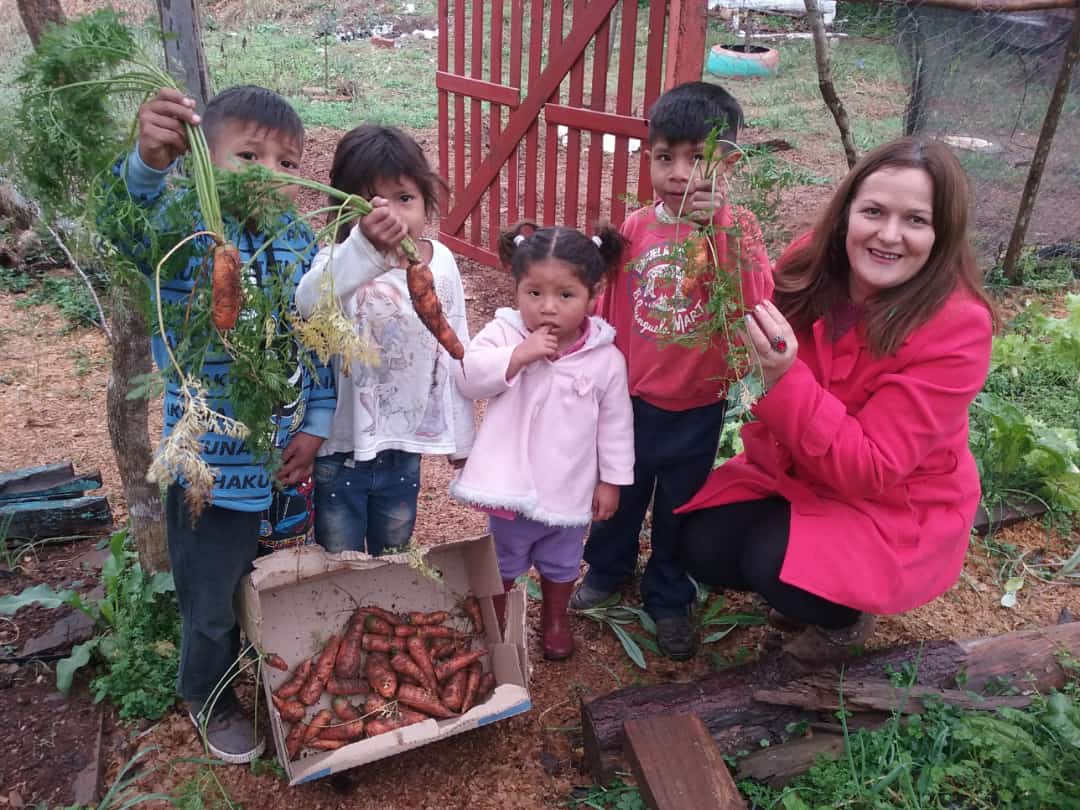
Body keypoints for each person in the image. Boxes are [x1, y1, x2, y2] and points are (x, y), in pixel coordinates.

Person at [676, 137, 996, 664]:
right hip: (801, 468)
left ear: (942, 234)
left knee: (769, 561)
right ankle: (809, 578)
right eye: (874, 211)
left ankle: (843, 619)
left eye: (915, 220)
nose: (888, 235)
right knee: (699, 543)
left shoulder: (958, 327)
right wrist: (715, 241)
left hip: (891, 501)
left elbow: (871, 467)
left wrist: (784, 376)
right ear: (847, 212)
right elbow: (744, 299)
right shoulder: (811, 262)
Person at [110, 85, 336, 763]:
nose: (270, 171)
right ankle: (206, 692)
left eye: (287, 161)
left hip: (283, 465)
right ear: (202, 154)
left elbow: (318, 338)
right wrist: (148, 162)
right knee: (209, 604)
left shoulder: (299, 242)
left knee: (272, 582)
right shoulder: (181, 230)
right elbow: (125, 223)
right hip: (207, 469)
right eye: (249, 154)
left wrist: (318, 419)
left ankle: (275, 678)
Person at [570, 81, 773, 660]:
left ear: (729, 163)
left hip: (699, 404)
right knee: (620, 493)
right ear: (649, 158)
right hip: (631, 400)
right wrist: (598, 365)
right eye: (665, 158)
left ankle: (668, 594)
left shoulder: (740, 230)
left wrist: (721, 235)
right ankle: (607, 568)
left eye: (697, 159)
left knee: (680, 506)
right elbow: (611, 305)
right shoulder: (636, 228)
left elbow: (754, 300)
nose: (679, 173)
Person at [450, 223, 635, 660]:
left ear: (593, 295)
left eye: (565, 295)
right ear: (517, 290)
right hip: (512, 488)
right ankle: (497, 624)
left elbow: (616, 424)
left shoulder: (605, 358)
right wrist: (517, 357)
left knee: (562, 560)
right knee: (505, 560)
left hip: (569, 487)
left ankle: (554, 619)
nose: (548, 307)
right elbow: (467, 376)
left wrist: (611, 480)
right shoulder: (505, 334)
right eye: (534, 293)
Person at [295, 125, 473, 555]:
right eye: (371, 203)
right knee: (339, 558)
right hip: (341, 448)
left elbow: (456, 349)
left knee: (394, 551)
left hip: (404, 447)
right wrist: (363, 250)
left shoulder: (442, 262)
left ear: (427, 201)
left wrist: (463, 438)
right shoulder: (336, 262)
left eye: (404, 199)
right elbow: (307, 302)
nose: (391, 214)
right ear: (343, 207)